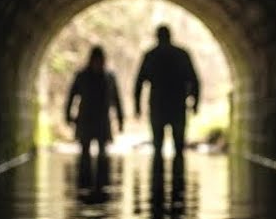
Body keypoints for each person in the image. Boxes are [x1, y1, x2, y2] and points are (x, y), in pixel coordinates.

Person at [134, 25, 199, 170]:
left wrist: (137, 107)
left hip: (158, 106)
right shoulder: (182, 54)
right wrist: (195, 103)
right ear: (170, 36)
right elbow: (194, 80)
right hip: (178, 105)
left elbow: (139, 83)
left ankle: (157, 185)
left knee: (158, 147)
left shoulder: (151, 55)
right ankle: (179, 184)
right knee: (179, 147)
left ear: (157, 37)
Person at [65, 45, 125, 190]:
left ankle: (102, 184)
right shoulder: (82, 76)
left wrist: (120, 119)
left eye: (101, 60)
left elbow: (116, 99)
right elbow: (72, 96)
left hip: (102, 120)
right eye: (97, 60)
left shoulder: (109, 77)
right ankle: (84, 184)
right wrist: (68, 114)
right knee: (84, 152)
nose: (99, 63)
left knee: (103, 153)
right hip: (85, 119)